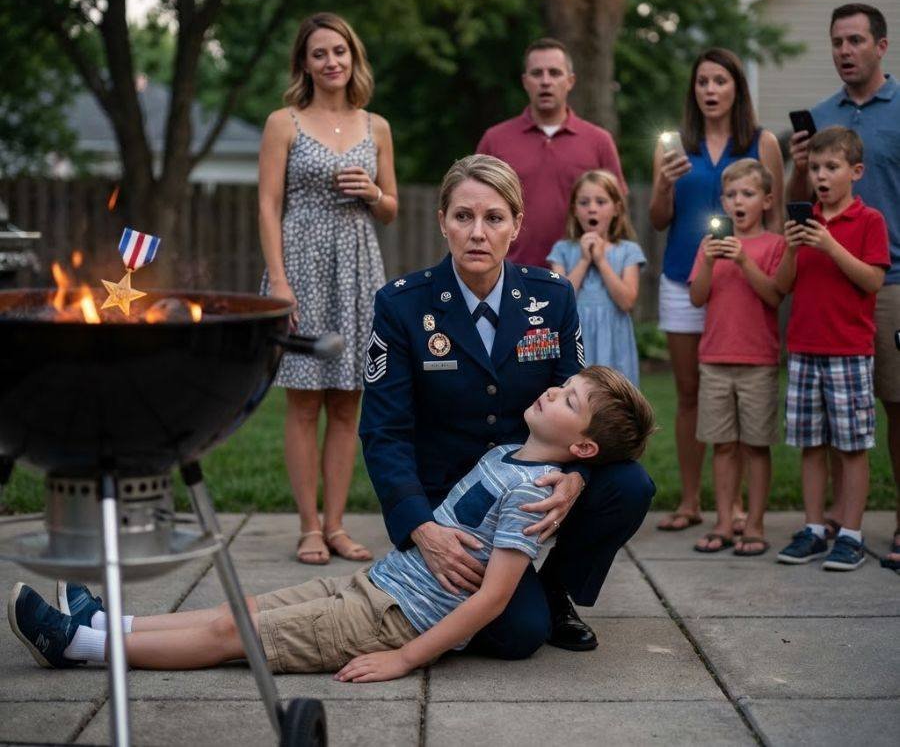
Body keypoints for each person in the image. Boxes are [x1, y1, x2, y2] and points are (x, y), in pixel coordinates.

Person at [8, 368, 656, 679]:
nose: (554, 390)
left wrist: (405, 658)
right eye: (565, 384)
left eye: (569, 399)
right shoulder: (507, 454)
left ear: (583, 447)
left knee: (235, 636)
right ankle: (107, 623)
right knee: (238, 608)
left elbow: (491, 599)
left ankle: (77, 647)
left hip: (392, 620)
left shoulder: (531, 495)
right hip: (374, 585)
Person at [359, 154, 656, 657]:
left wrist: (577, 476)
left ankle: (555, 591)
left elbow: (580, 404)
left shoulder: (553, 298)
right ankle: (506, 594)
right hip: (455, 504)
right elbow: (383, 431)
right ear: (443, 222)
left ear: (516, 226)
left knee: (629, 485)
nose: (478, 233)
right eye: (463, 216)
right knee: (518, 635)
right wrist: (422, 529)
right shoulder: (402, 305)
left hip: (534, 481)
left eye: (494, 218)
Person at [258, 12, 398, 565]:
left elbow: (389, 209)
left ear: (352, 56)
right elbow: (268, 205)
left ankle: (337, 526)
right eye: (319, 53)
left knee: (347, 403)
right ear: (305, 64)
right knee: (303, 403)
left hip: (358, 268)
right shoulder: (283, 123)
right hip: (301, 265)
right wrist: (279, 281)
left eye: (339, 51)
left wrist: (372, 192)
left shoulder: (376, 126)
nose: (331, 61)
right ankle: (308, 527)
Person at [648, 47, 784, 533]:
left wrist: (768, 270)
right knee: (690, 393)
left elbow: (776, 218)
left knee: (742, 394)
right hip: (683, 278)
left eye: (720, 81)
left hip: (743, 285)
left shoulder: (762, 142)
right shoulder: (674, 147)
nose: (710, 90)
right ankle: (690, 501)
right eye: (702, 81)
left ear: (736, 88)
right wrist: (663, 185)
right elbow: (658, 219)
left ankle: (739, 507)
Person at [786, 3, 900, 569]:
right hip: (818, 307)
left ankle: (889, 523)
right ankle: (826, 521)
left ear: (880, 45)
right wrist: (797, 167)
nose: (845, 51)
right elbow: (798, 203)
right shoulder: (821, 116)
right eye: (837, 41)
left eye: (855, 40)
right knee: (822, 428)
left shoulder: (898, 109)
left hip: (889, 282)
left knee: (893, 408)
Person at [775, 127, 889, 570]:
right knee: (811, 444)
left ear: (855, 172)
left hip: (849, 351)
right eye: (815, 168)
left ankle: (851, 535)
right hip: (804, 349)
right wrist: (791, 249)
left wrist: (830, 244)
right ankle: (814, 528)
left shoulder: (869, 221)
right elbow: (784, 286)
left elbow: (872, 280)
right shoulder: (805, 224)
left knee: (852, 446)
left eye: (832, 167)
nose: (821, 176)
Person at [688, 159, 785, 556]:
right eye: (731, 195)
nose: (738, 201)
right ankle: (725, 522)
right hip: (714, 359)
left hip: (758, 361)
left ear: (767, 200)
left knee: (756, 446)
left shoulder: (774, 245)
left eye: (747, 193)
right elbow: (697, 297)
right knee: (723, 445)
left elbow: (775, 296)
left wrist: (744, 260)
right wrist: (711, 261)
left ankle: (755, 524)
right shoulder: (707, 247)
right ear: (723, 202)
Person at [476, 38, 627, 268]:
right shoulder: (495, 140)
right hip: (511, 271)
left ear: (570, 81)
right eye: (537, 73)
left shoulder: (599, 141)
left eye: (555, 73)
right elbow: (476, 207)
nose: (545, 81)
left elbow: (618, 210)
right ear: (525, 82)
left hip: (581, 274)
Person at [547, 170, 645, 385]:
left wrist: (601, 261)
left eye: (601, 202)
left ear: (616, 209)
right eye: (584, 202)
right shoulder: (562, 250)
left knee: (614, 400)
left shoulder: (628, 251)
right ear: (575, 210)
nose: (592, 208)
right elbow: (558, 302)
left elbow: (627, 301)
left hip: (614, 341)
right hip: (575, 338)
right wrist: (584, 260)